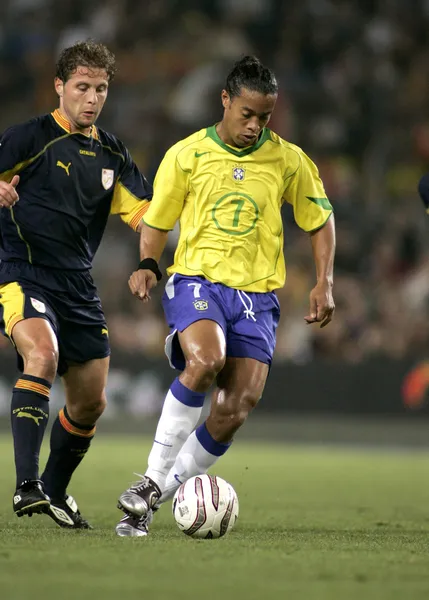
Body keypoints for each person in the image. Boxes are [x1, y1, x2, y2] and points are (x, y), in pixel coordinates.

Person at [115, 56, 335, 537]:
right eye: (247, 115)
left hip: (257, 296)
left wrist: (325, 281)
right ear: (225, 100)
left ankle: (151, 496)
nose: (255, 126)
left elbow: (319, 220)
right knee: (205, 360)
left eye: (265, 118)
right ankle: (151, 479)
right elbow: (156, 222)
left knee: (236, 407)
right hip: (197, 280)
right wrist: (148, 264)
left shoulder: (289, 160)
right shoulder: (187, 154)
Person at [0, 41, 152, 528]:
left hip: (78, 286)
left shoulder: (112, 153)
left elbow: (148, 214)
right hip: (22, 270)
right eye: (82, 87)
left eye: (101, 89)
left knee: (90, 402)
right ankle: (26, 486)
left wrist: (152, 258)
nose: (92, 98)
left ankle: (55, 490)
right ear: (60, 87)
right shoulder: (28, 137)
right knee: (41, 356)